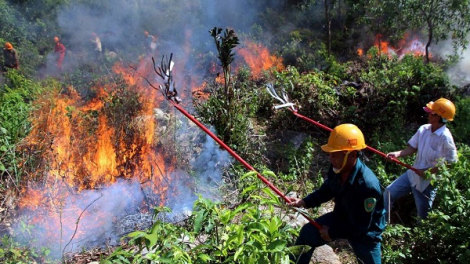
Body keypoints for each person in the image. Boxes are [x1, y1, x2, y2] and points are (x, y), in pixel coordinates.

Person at [288, 124, 386, 264]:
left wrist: (332, 232)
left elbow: (361, 225)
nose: (331, 158)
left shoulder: (368, 186)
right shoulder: (337, 168)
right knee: (307, 234)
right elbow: (327, 189)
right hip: (342, 216)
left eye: (335, 155)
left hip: (366, 231)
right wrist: (304, 202)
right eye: (330, 154)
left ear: (352, 155)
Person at [384, 98, 457, 221]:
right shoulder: (423, 129)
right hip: (412, 174)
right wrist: (397, 154)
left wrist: (428, 171)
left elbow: (451, 162)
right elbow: (412, 148)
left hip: (428, 182)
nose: (428, 115)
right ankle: (382, 225)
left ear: (439, 116)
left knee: (423, 217)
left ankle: (420, 238)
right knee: (388, 193)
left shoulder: (446, 137)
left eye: (431, 113)